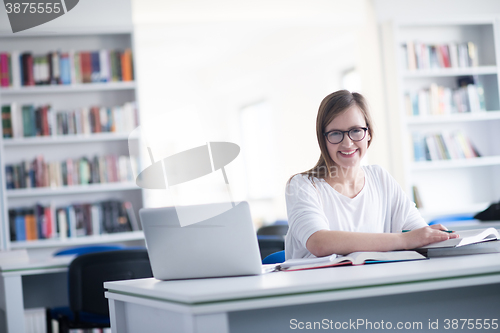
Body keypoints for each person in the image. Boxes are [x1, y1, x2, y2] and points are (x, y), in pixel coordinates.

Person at [284, 90, 458, 259]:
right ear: (323, 140)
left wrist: (437, 237)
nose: (347, 142)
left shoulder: (379, 177)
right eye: (335, 133)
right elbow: (318, 242)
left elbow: (418, 233)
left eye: (356, 131)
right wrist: (403, 240)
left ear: (368, 133)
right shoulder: (302, 185)